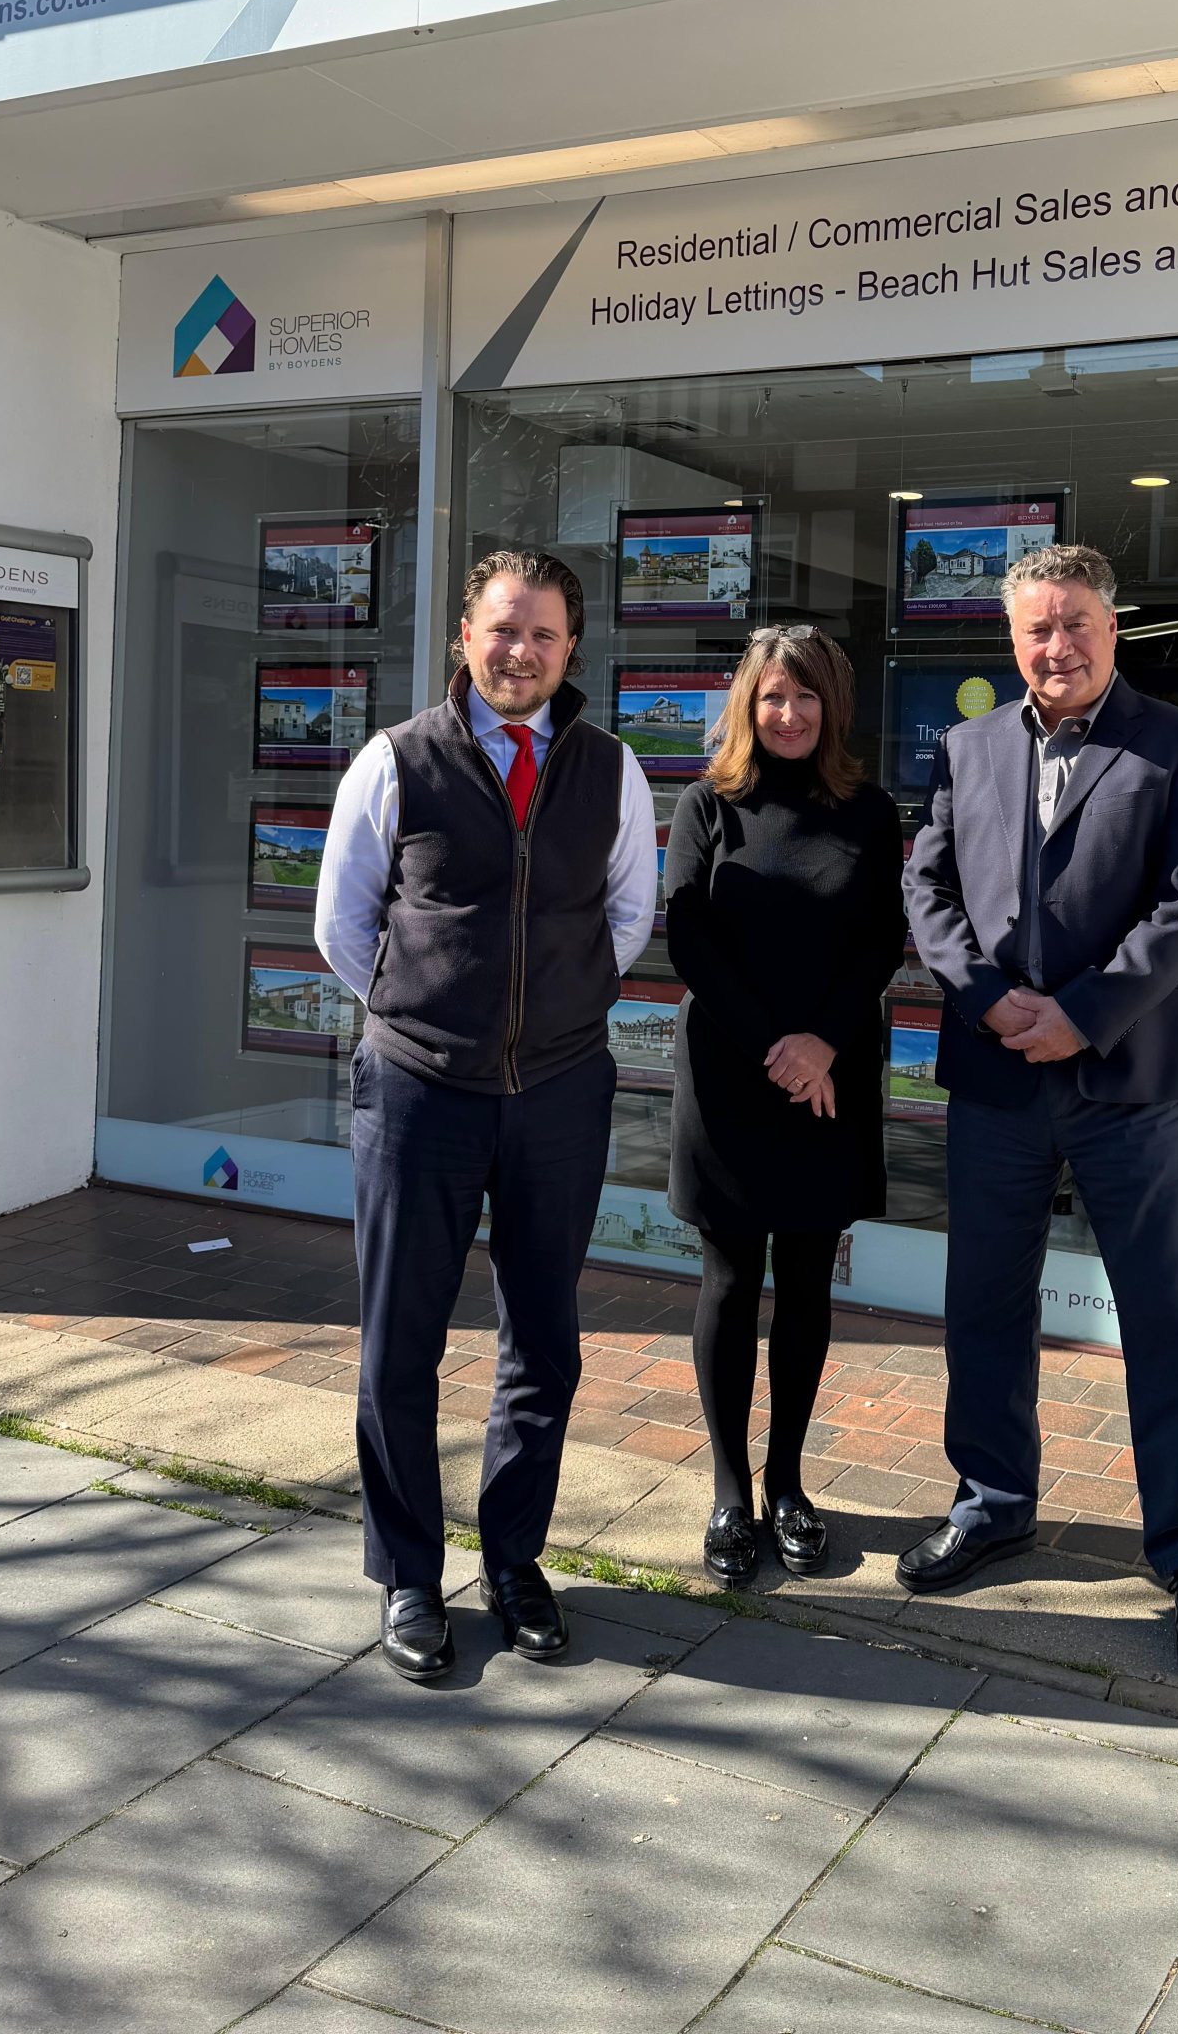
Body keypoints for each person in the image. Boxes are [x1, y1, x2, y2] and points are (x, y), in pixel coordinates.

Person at [901, 541, 1178, 1671]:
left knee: (1169, 1317)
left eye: (1077, 624)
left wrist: (1083, 1012)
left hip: (1129, 1079)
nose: (1056, 645)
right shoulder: (967, 747)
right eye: (1037, 628)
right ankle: (993, 1497)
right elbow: (929, 885)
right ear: (1014, 640)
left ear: (1113, 629)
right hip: (999, 1071)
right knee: (986, 1301)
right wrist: (996, 1000)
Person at [316, 549, 656, 1680]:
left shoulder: (610, 770)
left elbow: (625, 915)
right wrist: (426, 1013)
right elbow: (343, 924)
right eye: (504, 629)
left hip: (559, 1087)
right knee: (401, 1339)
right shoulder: (396, 760)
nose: (522, 652)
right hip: (418, 1086)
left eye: (545, 635)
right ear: (466, 636)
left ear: (572, 651)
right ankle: (409, 1574)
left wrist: (551, 1014)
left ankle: (515, 1560)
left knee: (543, 1340)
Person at [663, 625, 905, 1582]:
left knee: (807, 1281)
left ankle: (789, 1485)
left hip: (828, 1081)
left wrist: (821, 1045)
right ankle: (730, 1494)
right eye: (772, 697)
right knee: (729, 1280)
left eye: (807, 697)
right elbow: (687, 938)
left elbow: (881, 941)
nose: (790, 714)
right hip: (730, 1077)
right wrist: (775, 1044)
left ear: (832, 707)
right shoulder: (705, 805)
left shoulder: (870, 811)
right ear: (746, 705)